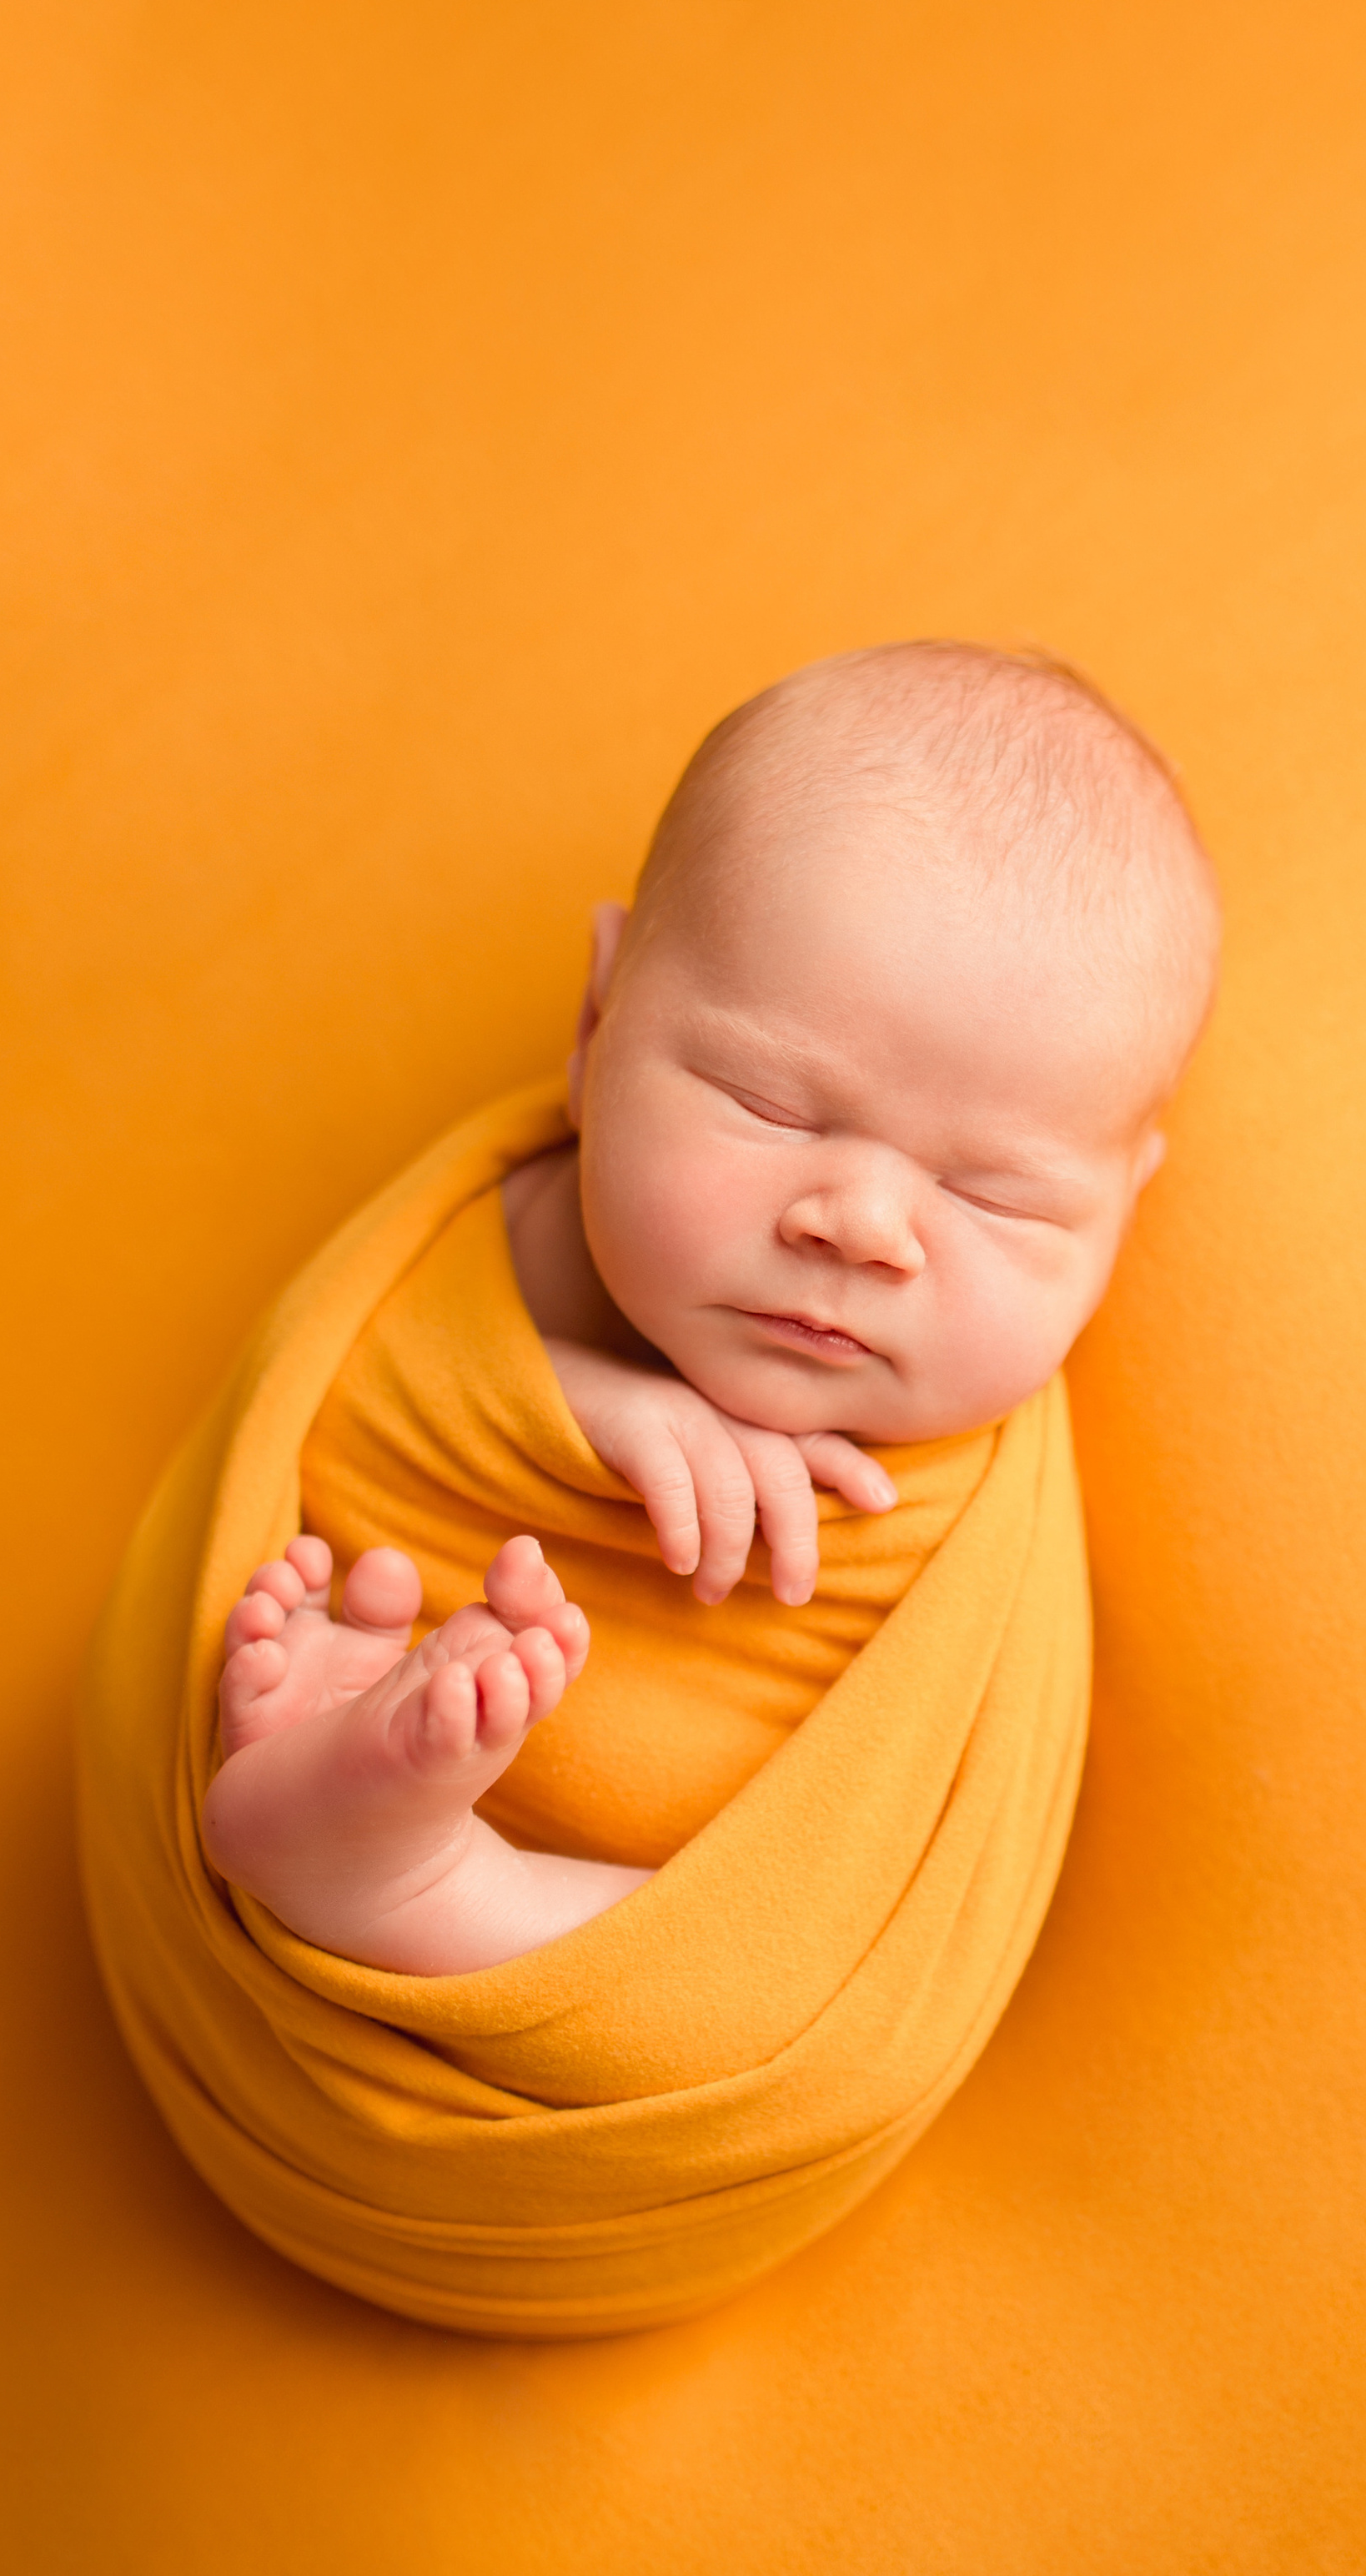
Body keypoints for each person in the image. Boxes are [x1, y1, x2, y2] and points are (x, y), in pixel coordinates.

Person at [201, 640, 1218, 1976]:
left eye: (994, 1198)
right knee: (291, 1617)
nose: (861, 1226)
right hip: (248, 1902)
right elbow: (347, 1384)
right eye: (773, 1106)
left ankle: (415, 1885)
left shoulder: (986, 1529)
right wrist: (574, 1398)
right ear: (596, 1016)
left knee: (807, 1946)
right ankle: (345, 1814)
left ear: (1122, 1209)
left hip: (650, 2023)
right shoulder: (512, 1230)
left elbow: (933, 1873)